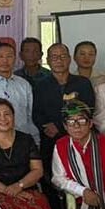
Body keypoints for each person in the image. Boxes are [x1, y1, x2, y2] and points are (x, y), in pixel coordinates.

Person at [33, 43, 95, 178]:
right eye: (54, 57)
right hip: (50, 139)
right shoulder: (40, 85)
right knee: (51, 179)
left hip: (79, 137)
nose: (59, 61)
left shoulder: (83, 83)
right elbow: (36, 112)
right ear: (48, 61)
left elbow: (88, 109)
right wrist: (46, 127)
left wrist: (60, 126)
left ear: (70, 59)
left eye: (62, 56)